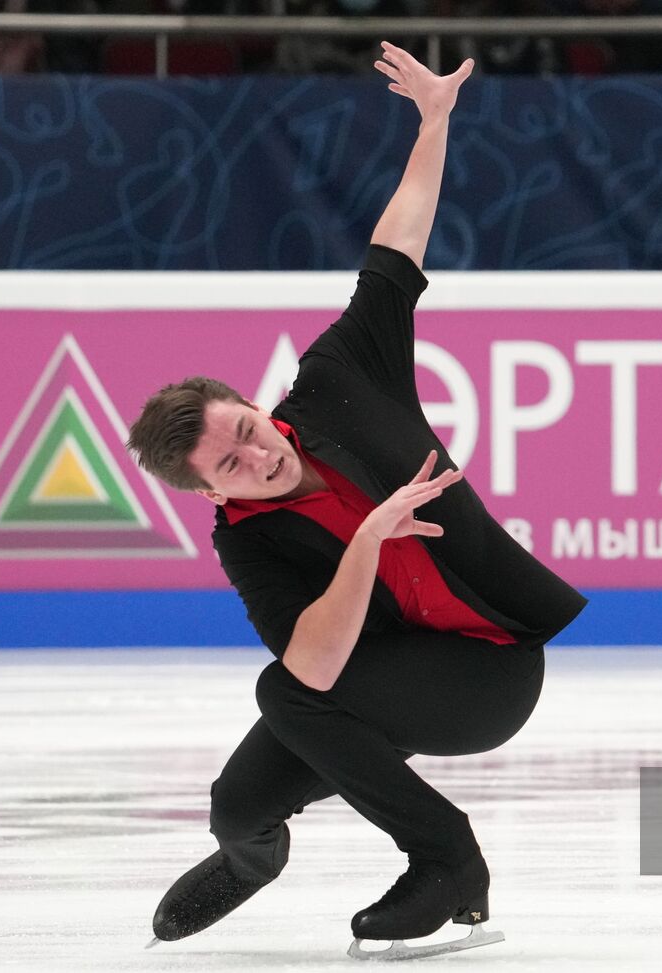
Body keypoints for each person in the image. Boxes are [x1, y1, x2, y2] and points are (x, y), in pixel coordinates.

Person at [126, 43, 586, 958]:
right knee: (238, 803)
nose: (255, 455)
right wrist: (367, 541)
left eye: (246, 428)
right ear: (208, 492)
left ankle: (448, 861)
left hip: (489, 668)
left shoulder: (340, 379)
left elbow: (397, 245)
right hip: (383, 674)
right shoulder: (248, 544)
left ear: (256, 403)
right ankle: (253, 862)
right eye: (229, 464)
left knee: (285, 697)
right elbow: (317, 662)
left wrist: (434, 122)